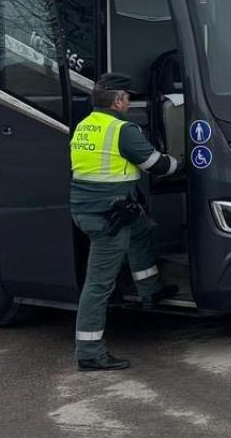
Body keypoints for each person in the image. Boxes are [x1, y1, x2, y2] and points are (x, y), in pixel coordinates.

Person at [70, 73, 180, 371]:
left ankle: (150, 290)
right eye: (128, 98)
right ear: (118, 100)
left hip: (89, 209)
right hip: (109, 216)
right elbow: (155, 165)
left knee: (140, 230)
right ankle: (90, 351)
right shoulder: (122, 130)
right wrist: (182, 161)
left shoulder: (84, 126)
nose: (129, 102)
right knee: (98, 283)